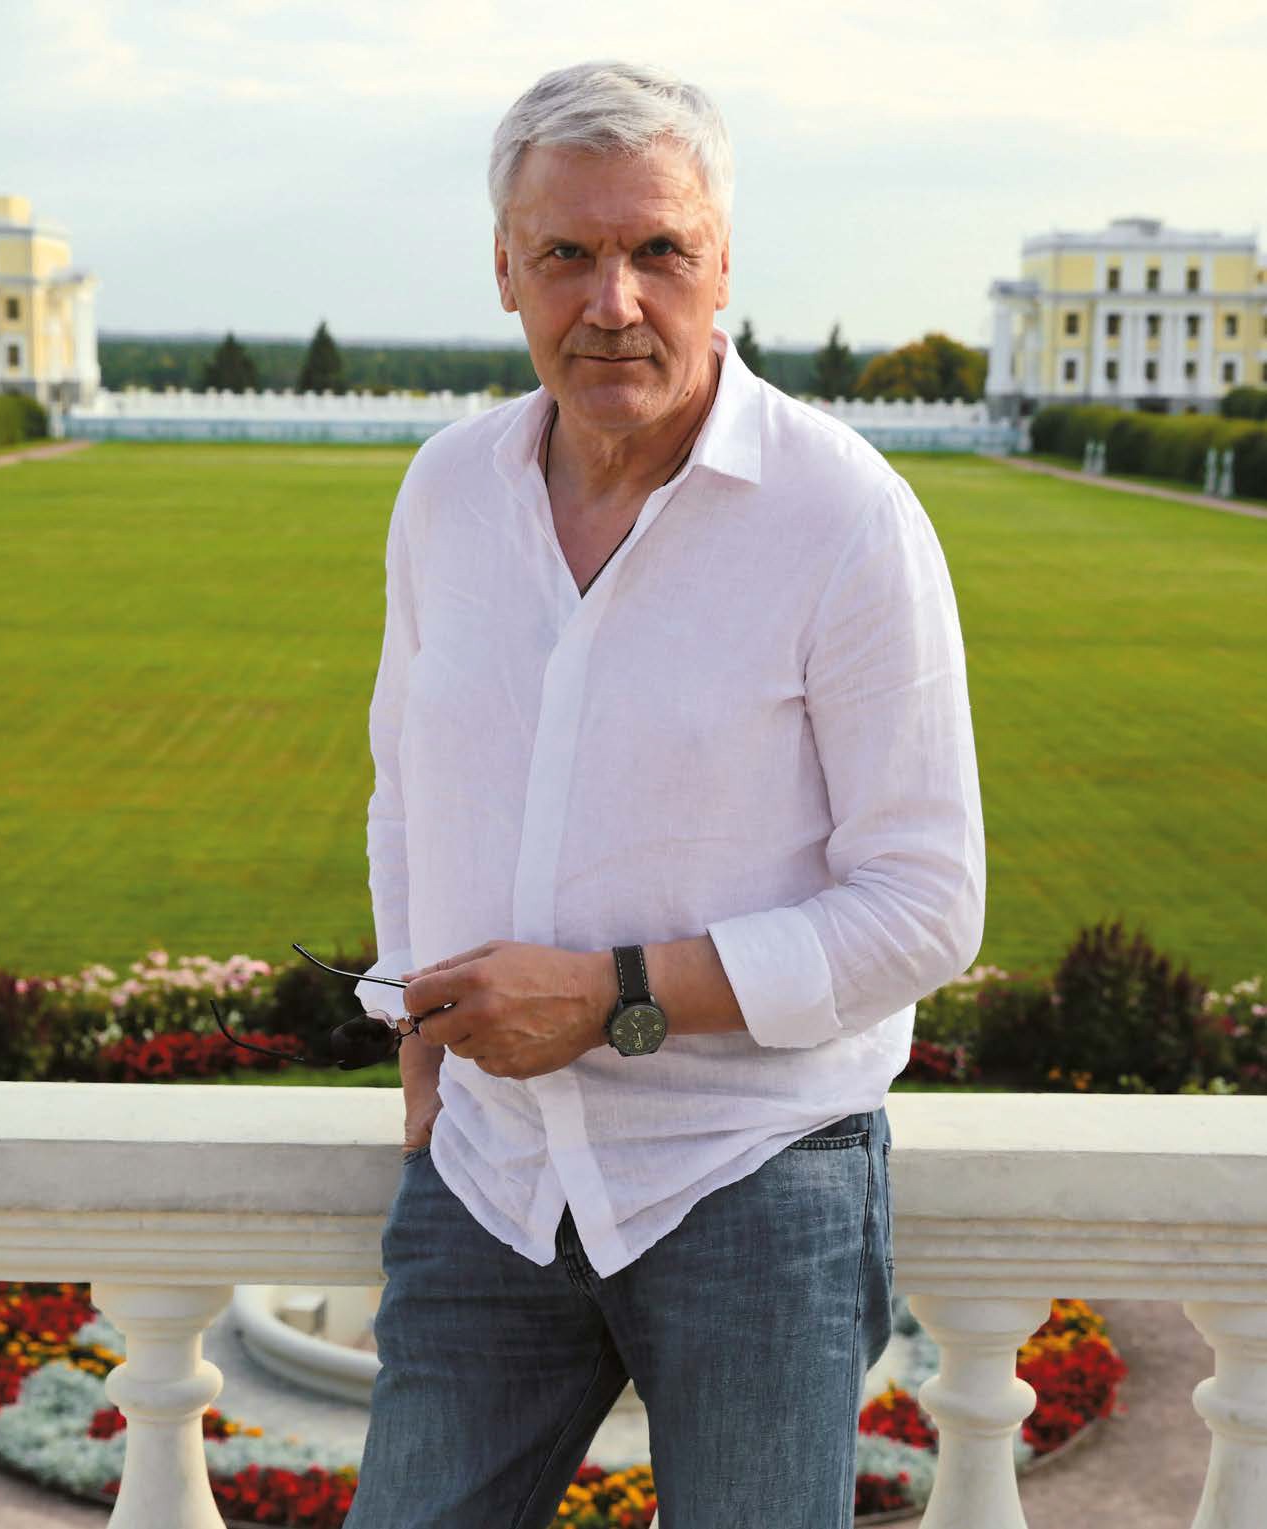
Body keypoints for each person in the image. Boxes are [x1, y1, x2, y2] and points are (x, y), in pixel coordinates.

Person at [345, 59, 984, 1529]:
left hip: (753, 1178)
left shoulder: (845, 516)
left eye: (657, 250)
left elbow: (925, 907)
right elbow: (407, 787)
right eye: (566, 252)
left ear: (722, 265)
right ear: (503, 267)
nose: (612, 300)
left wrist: (612, 995)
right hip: (493, 1174)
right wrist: (415, 1014)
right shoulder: (446, 491)